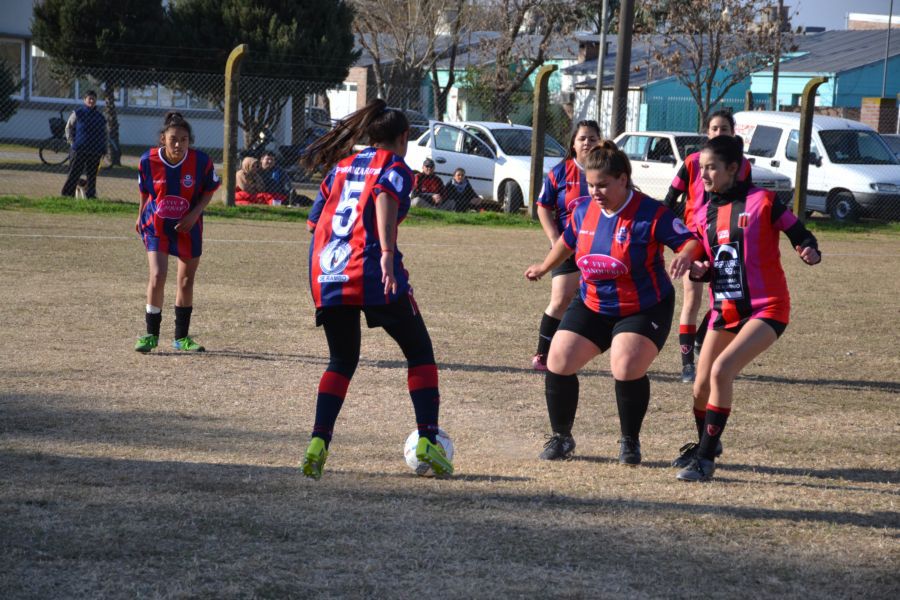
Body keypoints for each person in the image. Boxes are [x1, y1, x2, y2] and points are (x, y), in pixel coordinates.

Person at [299, 98, 453, 480]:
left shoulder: (341, 167)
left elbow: (313, 222)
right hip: (370, 267)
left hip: (327, 269)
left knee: (342, 360)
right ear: (404, 137)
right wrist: (385, 253)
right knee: (419, 352)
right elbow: (385, 194)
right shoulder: (396, 166)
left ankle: (318, 443)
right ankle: (428, 439)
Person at [524, 141, 699, 464]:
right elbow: (568, 240)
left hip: (643, 306)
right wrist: (544, 266)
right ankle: (562, 438)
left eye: (602, 184)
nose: (595, 191)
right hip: (592, 303)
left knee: (625, 365)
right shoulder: (583, 210)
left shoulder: (650, 212)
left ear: (623, 179)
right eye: (590, 185)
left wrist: (687, 257)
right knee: (558, 359)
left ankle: (629, 441)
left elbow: (690, 241)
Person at [674, 135, 820, 482]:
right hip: (725, 310)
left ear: (733, 169)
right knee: (700, 388)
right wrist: (696, 266)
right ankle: (706, 444)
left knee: (721, 371)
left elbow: (800, 232)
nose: (704, 175)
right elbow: (713, 264)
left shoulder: (764, 201)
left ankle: (706, 461)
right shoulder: (705, 212)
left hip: (767, 309)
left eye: (711, 168)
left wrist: (808, 249)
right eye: (702, 168)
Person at [664, 110, 753, 384]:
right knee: (693, 299)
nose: (718, 134)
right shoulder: (692, 162)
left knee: (726, 299)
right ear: (707, 132)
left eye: (724, 129)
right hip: (695, 238)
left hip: (725, 238)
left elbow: (746, 202)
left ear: (733, 133)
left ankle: (704, 338)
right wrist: (675, 232)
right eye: (714, 129)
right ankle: (687, 364)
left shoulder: (741, 165)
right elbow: (669, 200)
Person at [134, 112, 220, 353]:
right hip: (157, 226)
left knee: (185, 280)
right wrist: (140, 213)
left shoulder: (201, 162)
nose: (178, 144)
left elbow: (210, 190)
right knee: (158, 275)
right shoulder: (148, 161)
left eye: (184, 139)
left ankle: (181, 338)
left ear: (189, 141)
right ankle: (151, 335)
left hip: (188, 228)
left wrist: (194, 215)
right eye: (173, 139)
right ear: (163, 139)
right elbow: (144, 191)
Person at [531, 119, 602, 371]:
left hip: (598, 248)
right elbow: (543, 207)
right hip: (567, 247)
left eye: (593, 138)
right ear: (573, 143)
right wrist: (554, 239)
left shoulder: (608, 172)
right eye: (582, 138)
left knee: (602, 301)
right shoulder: (560, 172)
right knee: (560, 300)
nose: (587, 143)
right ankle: (542, 354)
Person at [61, 90, 107, 199]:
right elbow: (68, 128)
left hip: (95, 151)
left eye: (93, 99)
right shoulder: (78, 113)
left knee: (92, 175)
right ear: (85, 100)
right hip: (79, 149)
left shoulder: (100, 117)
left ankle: (90, 195)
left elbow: (105, 134)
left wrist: (104, 148)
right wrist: (72, 142)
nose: (91, 100)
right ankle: (67, 194)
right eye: (89, 98)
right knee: (74, 173)